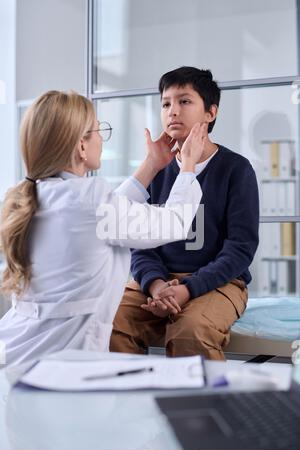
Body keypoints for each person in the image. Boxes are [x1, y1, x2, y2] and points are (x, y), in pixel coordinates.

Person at [0, 90, 204, 366]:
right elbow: (174, 222)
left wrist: (152, 164)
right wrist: (189, 164)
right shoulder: (89, 199)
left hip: (14, 353)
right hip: (55, 369)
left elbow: (104, 219)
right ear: (81, 146)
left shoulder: (29, 197)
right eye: (98, 130)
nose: (101, 139)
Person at [110, 66, 259, 360]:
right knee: (108, 322)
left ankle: (202, 408)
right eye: (166, 103)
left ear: (210, 112)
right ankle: (130, 403)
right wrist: (155, 284)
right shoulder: (156, 168)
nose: (172, 111)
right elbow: (137, 240)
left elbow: (240, 249)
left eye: (184, 101)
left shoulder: (236, 169)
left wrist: (188, 288)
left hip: (220, 282)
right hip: (156, 281)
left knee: (190, 331)